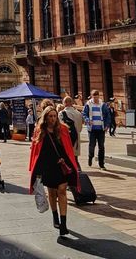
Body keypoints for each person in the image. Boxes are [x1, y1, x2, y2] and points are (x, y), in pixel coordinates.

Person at [29, 105, 79, 237]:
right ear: (45, 117)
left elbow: (68, 148)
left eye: (54, 116)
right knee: (52, 193)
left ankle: (63, 224)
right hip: (48, 167)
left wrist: (65, 160)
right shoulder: (40, 131)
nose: (52, 118)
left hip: (61, 166)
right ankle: (55, 216)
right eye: (50, 116)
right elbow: (37, 152)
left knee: (62, 191)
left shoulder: (62, 129)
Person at [83, 90, 111, 169]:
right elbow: (84, 114)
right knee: (92, 145)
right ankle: (90, 156)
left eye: (97, 97)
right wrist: (88, 120)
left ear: (99, 96)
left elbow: (107, 116)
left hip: (101, 129)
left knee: (101, 146)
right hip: (92, 129)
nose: (95, 98)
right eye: (94, 97)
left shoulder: (103, 105)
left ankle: (101, 163)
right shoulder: (88, 104)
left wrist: (107, 125)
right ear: (92, 97)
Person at [59, 96, 83, 168]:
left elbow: (60, 128)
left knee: (67, 158)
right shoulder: (78, 113)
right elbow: (80, 128)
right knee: (75, 158)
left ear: (65, 103)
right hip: (76, 138)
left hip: (66, 140)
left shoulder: (61, 113)